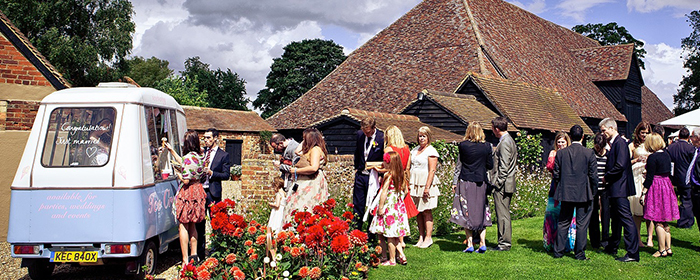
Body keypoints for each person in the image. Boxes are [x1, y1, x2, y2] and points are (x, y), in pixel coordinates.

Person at [552, 125, 597, 260]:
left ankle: (558, 251)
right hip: (583, 192)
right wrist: (593, 192)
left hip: (566, 192)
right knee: (582, 224)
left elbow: (556, 174)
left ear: (570, 137)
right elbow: (594, 176)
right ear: (583, 137)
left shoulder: (561, 153)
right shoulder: (589, 153)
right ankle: (579, 253)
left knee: (563, 222)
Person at [600, 118, 639, 262]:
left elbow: (621, 165)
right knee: (616, 219)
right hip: (616, 187)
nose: (602, 133)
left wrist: (606, 176)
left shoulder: (620, 144)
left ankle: (632, 252)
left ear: (612, 128)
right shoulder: (615, 144)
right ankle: (613, 246)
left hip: (619, 188)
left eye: (604, 130)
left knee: (626, 219)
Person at [450, 122, 493, 253]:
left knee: (465, 210)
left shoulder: (462, 146)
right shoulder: (487, 146)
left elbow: (459, 164)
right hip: (480, 181)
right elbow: (490, 165)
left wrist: (454, 182)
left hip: (465, 180)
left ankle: (469, 243)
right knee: (481, 210)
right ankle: (482, 243)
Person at [165, 130, 206, 265]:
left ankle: (185, 260)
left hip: (188, 192)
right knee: (193, 224)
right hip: (198, 191)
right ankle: (194, 256)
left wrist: (178, 174)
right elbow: (183, 161)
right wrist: (171, 150)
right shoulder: (200, 157)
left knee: (183, 225)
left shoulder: (188, 158)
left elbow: (186, 180)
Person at [640, 133, 679, 257]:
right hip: (667, 185)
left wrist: (644, 192)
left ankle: (661, 249)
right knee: (665, 219)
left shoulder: (653, 157)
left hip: (657, 187)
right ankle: (668, 248)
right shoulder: (667, 155)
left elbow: (650, 177)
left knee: (657, 219)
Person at [196, 128, 231, 260]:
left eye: (208, 138)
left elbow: (226, 175)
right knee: (199, 223)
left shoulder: (223, 155)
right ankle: (200, 253)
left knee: (215, 223)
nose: (206, 140)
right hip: (200, 191)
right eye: (204, 138)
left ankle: (215, 252)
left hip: (213, 192)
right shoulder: (201, 153)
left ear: (215, 138)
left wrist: (212, 173)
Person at [369, 151, 410, 266]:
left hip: (388, 206)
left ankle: (390, 259)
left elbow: (384, 192)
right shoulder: (401, 175)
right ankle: (400, 255)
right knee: (395, 233)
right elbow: (406, 191)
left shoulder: (388, 175)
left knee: (387, 234)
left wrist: (381, 207)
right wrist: (399, 199)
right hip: (397, 206)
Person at [284, 128, 330, 220]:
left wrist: (296, 171)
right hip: (306, 180)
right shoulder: (310, 150)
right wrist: (304, 141)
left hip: (310, 181)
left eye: (305, 138)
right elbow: (297, 152)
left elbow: (314, 167)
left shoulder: (315, 149)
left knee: (305, 205)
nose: (303, 141)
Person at [489, 116, 518, 251]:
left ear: (496, 129)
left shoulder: (505, 142)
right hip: (505, 183)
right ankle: (503, 242)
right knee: (503, 213)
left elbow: (504, 166)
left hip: (503, 185)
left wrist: (497, 183)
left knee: (502, 214)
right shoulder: (507, 140)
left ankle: (504, 243)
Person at [409, 126, 440, 248]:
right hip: (415, 182)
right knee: (418, 211)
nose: (421, 138)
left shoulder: (431, 151)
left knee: (426, 210)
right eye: (420, 136)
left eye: (424, 136)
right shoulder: (414, 150)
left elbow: (432, 170)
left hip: (425, 182)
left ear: (428, 137)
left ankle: (428, 237)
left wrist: (427, 187)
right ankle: (421, 236)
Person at [543, 131, 575, 252]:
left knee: (567, 214)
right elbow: (550, 167)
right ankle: (551, 241)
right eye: (559, 142)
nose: (561, 144)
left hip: (567, 185)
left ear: (567, 142)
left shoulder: (570, 152)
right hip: (555, 185)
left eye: (563, 142)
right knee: (553, 213)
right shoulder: (553, 153)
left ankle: (568, 243)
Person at [353, 117, 385, 236]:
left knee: (372, 205)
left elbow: (383, 157)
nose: (366, 134)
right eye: (364, 131)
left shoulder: (381, 138)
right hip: (361, 175)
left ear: (374, 128)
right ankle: (356, 233)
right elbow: (357, 152)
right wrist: (357, 168)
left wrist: (381, 173)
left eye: (368, 132)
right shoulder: (360, 135)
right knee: (358, 205)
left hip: (375, 176)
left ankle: (371, 235)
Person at [382, 125, 411, 249]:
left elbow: (388, 165)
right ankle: (402, 240)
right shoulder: (407, 149)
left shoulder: (389, 149)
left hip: (392, 180)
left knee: (391, 211)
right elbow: (408, 167)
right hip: (403, 180)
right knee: (401, 212)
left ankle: (394, 241)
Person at [628, 121, 653, 247]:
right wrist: (637, 160)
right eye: (642, 133)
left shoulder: (652, 145)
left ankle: (650, 238)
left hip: (648, 177)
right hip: (636, 176)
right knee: (637, 211)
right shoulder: (632, 145)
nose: (644, 135)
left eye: (647, 133)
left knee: (650, 210)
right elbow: (626, 163)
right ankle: (638, 238)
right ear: (638, 133)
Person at [667, 127, 695, 228]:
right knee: (686, 200)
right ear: (688, 137)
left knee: (679, 199)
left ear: (679, 136)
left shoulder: (671, 147)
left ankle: (682, 218)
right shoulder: (690, 148)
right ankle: (684, 221)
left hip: (674, 176)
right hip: (686, 177)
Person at [590, 132, 611, 249]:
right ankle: (595, 241)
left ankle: (605, 238)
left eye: (600, 148)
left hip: (605, 188)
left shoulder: (608, 155)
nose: (598, 150)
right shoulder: (591, 154)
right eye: (596, 147)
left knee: (606, 213)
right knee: (593, 213)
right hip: (593, 188)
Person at [266, 177, 286, 258]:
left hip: (277, 213)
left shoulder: (278, 194)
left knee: (273, 229)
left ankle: (272, 254)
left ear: (276, 186)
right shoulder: (284, 193)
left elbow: (277, 205)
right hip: (282, 212)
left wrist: (271, 204)